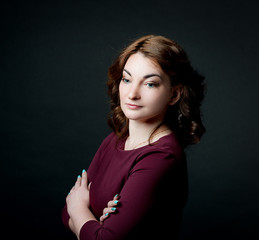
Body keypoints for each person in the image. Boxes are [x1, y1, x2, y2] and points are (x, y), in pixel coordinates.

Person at [61, 35, 206, 240]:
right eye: (127, 79)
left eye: (150, 84)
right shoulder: (115, 140)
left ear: (174, 94)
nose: (132, 94)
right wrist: (93, 224)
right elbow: (64, 216)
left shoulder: (161, 157)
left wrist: (79, 210)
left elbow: (81, 218)